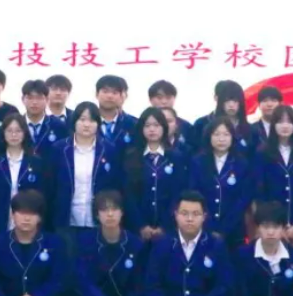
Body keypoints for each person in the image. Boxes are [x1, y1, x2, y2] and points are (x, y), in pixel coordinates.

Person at [146, 191, 235, 296]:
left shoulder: (216, 245)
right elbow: (153, 286)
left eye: (196, 214)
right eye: (184, 213)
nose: (190, 219)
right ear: (176, 215)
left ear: (204, 217)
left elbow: (224, 285)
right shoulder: (162, 244)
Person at [0, 190, 69, 296]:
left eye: (32, 214)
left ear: (40, 218)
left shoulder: (54, 243)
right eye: (22, 213)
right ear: (12, 215)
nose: (26, 218)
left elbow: (57, 280)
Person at [51, 102, 123, 250]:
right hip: (66, 218)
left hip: (97, 219)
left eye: (92, 120)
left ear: (98, 124)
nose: (86, 124)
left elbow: (115, 185)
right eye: (82, 119)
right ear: (74, 122)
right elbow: (50, 185)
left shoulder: (109, 150)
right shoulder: (59, 149)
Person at [72, 191, 144, 296]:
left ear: (122, 212)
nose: (110, 214)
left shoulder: (136, 244)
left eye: (114, 209)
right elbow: (81, 279)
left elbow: (140, 285)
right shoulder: (85, 241)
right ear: (97, 215)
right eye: (104, 210)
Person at [253, 105, 293, 251]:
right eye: (280, 121)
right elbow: (260, 191)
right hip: (271, 227)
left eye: (289, 121)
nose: (285, 126)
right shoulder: (263, 153)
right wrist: (274, 224)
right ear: (273, 125)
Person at [0, 114, 48, 240]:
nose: (14, 135)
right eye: (9, 131)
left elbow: (41, 196)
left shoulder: (36, 162)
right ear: (3, 134)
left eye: (18, 131)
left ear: (24, 133)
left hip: (28, 222)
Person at [123, 107, 184, 242]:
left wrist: (165, 226)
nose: (152, 129)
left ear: (164, 128)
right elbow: (128, 195)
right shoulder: (131, 156)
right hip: (137, 229)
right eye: (147, 126)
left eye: (156, 125)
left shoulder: (176, 157)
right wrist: (141, 226)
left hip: (168, 228)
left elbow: (178, 193)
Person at [189, 117, 252, 245]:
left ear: (233, 137)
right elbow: (194, 194)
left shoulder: (242, 163)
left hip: (234, 230)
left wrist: (225, 228)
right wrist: (208, 224)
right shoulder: (198, 162)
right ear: (209, 136)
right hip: (203, 227)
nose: (221, 139)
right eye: (216, 134)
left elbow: (243, 198)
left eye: (226, 134)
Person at [193, 80, 254, 159]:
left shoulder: (250, 129)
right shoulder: (202, 124)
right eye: (227, 100)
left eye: (235, 101)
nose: (231, 105)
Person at [22, 79, 68, 156]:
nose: (34, 102)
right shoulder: (17, 124)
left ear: (47, 99)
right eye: (30, 98)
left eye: (39, 98)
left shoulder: (58, 125)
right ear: (23, 99)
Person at [95, 75, 137, 157]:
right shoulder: (86, 122)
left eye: (115, 92)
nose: (110, 96)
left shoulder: (134, 124)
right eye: (105, 91)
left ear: (122, 96)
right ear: (96, 94)